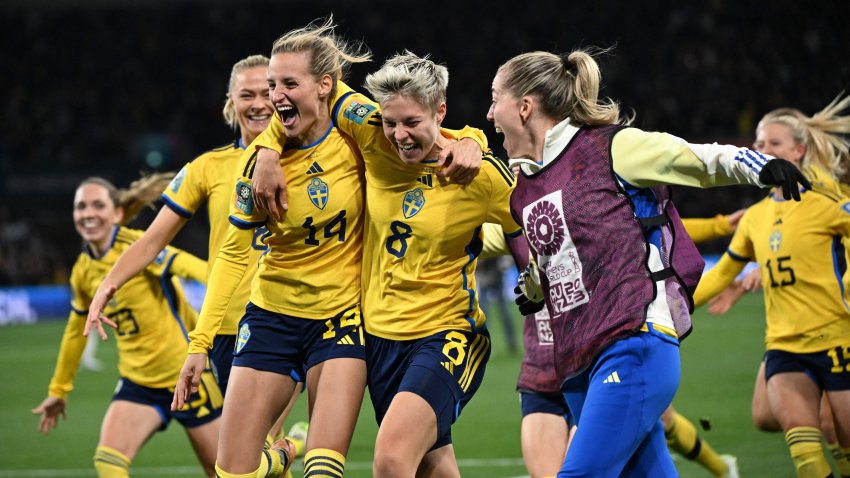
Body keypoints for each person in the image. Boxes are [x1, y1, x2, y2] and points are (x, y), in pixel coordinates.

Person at [488, 48, 809, 477]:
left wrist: (762, 165)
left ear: (525, 107)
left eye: (495, 99)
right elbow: (554, 250)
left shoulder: (609, 146)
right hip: (577, 366)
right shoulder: (526, 185)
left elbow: (696, 159)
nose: (490, 113)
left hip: (631, 346)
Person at [250, 44, 514, 476]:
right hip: (381, 340)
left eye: (412, 122)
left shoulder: (476, 173)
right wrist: (267, 149)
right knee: (431, 463)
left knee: (391, 458)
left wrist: (473, 140)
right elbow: (299, 99)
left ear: (441, 111)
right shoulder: (369, 130)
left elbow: (533, 220)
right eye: (391, 123)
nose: (399, 135)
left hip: (447, 335)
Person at [83, 55, 308, 474]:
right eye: (247, 94)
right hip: (227, 329)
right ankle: (291, 448)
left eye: (267, 92)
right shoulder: (208, 167)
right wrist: (107, 285)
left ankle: (286, 448)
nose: (259, 103)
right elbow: (153, 239)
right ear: (231, 103)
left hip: (289, 317)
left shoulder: (311, 157)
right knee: (250, 461)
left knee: (249, 456)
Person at [172, 23, 371, 478]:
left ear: (325, 86)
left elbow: (413, 127)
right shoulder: (256, 164)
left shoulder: (357, 136)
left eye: (288, 84)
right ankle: (281, 454)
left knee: (323, 470)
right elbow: (233, 254)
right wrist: (198, 345)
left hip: (340, 318)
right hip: (270, 316)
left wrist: (470, 142)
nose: (276, 97)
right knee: (234, 473)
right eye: (271, 85)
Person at [695, 96, 850, 478]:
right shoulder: (756, 216)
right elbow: (721, 274)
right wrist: (672, 304)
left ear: (799, 150)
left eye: (774, 144)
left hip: (836, 341)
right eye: (759, 144)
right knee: (807, 461)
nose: (763, 151)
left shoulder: (829, 201)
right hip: (784, 346)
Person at [33, 176, 222, 478]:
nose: (88, 213)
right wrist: (59, 389)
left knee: (226, 471)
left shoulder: (139, 246)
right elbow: (75, 330)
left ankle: (291, 446)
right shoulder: (82, 271)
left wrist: (230, 285)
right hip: (139, 382)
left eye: (97, 205)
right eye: (80, 206)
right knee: (108, 461)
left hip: (188, 377)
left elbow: (190, 266)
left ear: (117, 213)